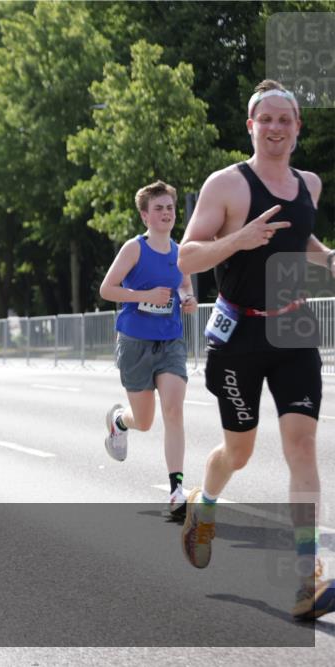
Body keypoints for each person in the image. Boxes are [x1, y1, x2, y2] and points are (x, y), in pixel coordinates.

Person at [177, 80, 335, 620]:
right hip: (239, 336)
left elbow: (300, 238)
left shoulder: (308, 184)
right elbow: (187, 258)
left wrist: (328, 258)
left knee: (301, 447)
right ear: (251, 126)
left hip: (293, 329)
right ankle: (206, 501)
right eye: (264, 119)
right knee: (237, 453)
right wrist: (234, 241)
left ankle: (306, 575)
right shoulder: (226, 185)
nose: (275, 128)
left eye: (284, 120)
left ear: (297, 128)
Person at [98, 181, 196, 518]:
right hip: (135, 342)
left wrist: (188, 299)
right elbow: (107, 289)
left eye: (170, 207)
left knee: (174, 410)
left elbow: (183, 283)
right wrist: (145, 295)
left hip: (170, 340)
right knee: (145, 420)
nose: (167, 213)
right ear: (145, 215)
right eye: (159, 208)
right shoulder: (134, 249)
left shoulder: (179, 251)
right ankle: (119, 424)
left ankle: (177, 491)